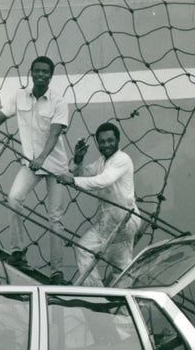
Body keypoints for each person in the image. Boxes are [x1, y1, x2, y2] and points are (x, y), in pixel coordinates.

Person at [0, 56, 69, 282]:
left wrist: (42, 158)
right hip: (31, 163)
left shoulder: (59, 102)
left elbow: (54, 134)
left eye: (46, 72)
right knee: (14, 199)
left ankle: (57, 271)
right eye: (38, 71)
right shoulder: (20, 96)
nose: (41, 75)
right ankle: (18, 251)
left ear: (51, 77)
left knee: (55, 218)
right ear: (31, 73)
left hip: (54, 165)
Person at [58, 122, 141, 287]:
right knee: (83, 248)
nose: (106, 145)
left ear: (118, 140)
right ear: (97, 143)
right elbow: (84, 173)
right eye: (102, 142)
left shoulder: (122, 159)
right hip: (107, 221)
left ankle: (120, 308)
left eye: (110, 140)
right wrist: (78, 158)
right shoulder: (102, 161)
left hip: (123, 220)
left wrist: (73, 180)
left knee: (121, 268)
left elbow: (103, 181)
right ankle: (98, 296)